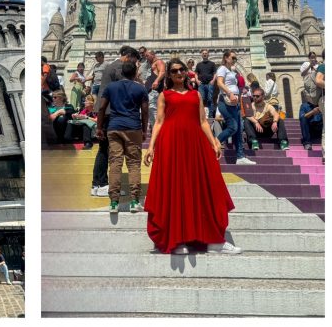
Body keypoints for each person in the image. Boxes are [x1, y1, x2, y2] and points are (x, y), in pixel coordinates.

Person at [144, 58, 240, 255]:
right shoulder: (165, 95)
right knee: (175, 189)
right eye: (174, 71)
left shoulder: (196, 94)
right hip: (171, 144)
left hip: (195, 143)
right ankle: (177, 239)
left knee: (206, 186)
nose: (179, 73)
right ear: (169, 75)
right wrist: (151, 146)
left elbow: (203, 121)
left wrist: (214, 141)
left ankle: (214, 240)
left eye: (182, 70)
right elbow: (159, 122)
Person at [97, 60, 149, 213]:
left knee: (115, 164)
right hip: (133, 128)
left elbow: (101, 107)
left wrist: (99, 127)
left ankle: (114, 203)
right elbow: (145, 111)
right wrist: (144, 130)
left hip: (114, 127)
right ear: (135, 73)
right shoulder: (140, 89)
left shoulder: (111, 87)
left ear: (121, 73)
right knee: (133, 164)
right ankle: (134, 201)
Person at [91, 46, 141, 198]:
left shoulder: (111, 66)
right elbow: (127, 84)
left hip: (106, 111)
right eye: (134, 60)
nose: (134, 63)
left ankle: (99, 183)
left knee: (105, 149)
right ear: (128, 56)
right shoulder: (119, 67)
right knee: (105, 149)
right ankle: (99, 184)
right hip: (108, 112)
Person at [215, 50, 254, 165]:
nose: (235, 60)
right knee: (233, 127)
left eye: (235, 58)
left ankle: (240, 157)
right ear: (226, 58)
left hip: (235, 102)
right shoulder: (222, 69)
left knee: (238, 130)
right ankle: (215, 142)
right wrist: (230, 93)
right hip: (226, 101)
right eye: (233, 58)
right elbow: (219, 83)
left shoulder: (231, 71)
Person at [143, 50, 166, 131]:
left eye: (147, 55)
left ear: (152, 55)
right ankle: (154, 129)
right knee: (151, 112)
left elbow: (162, 72)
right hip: (149, 91)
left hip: (154, 91)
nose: (146, 57)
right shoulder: (150, 64)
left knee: (154, 111)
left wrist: (156, 81)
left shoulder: (159, 62)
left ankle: (158, 130)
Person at [195, 49, 217, 118]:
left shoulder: (212, 64)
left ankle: (210, 115)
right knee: (201, 99)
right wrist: (197, 81)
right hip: (201, 85)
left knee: (210, 99)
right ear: (201, 55)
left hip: (209, 84)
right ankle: (201, 115)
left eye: (206, 53)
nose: (204, 54)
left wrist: (213, 81)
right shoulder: (199, 64)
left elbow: (215, 73)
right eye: (203, 53)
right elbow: (196, 73)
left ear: (208, 54)